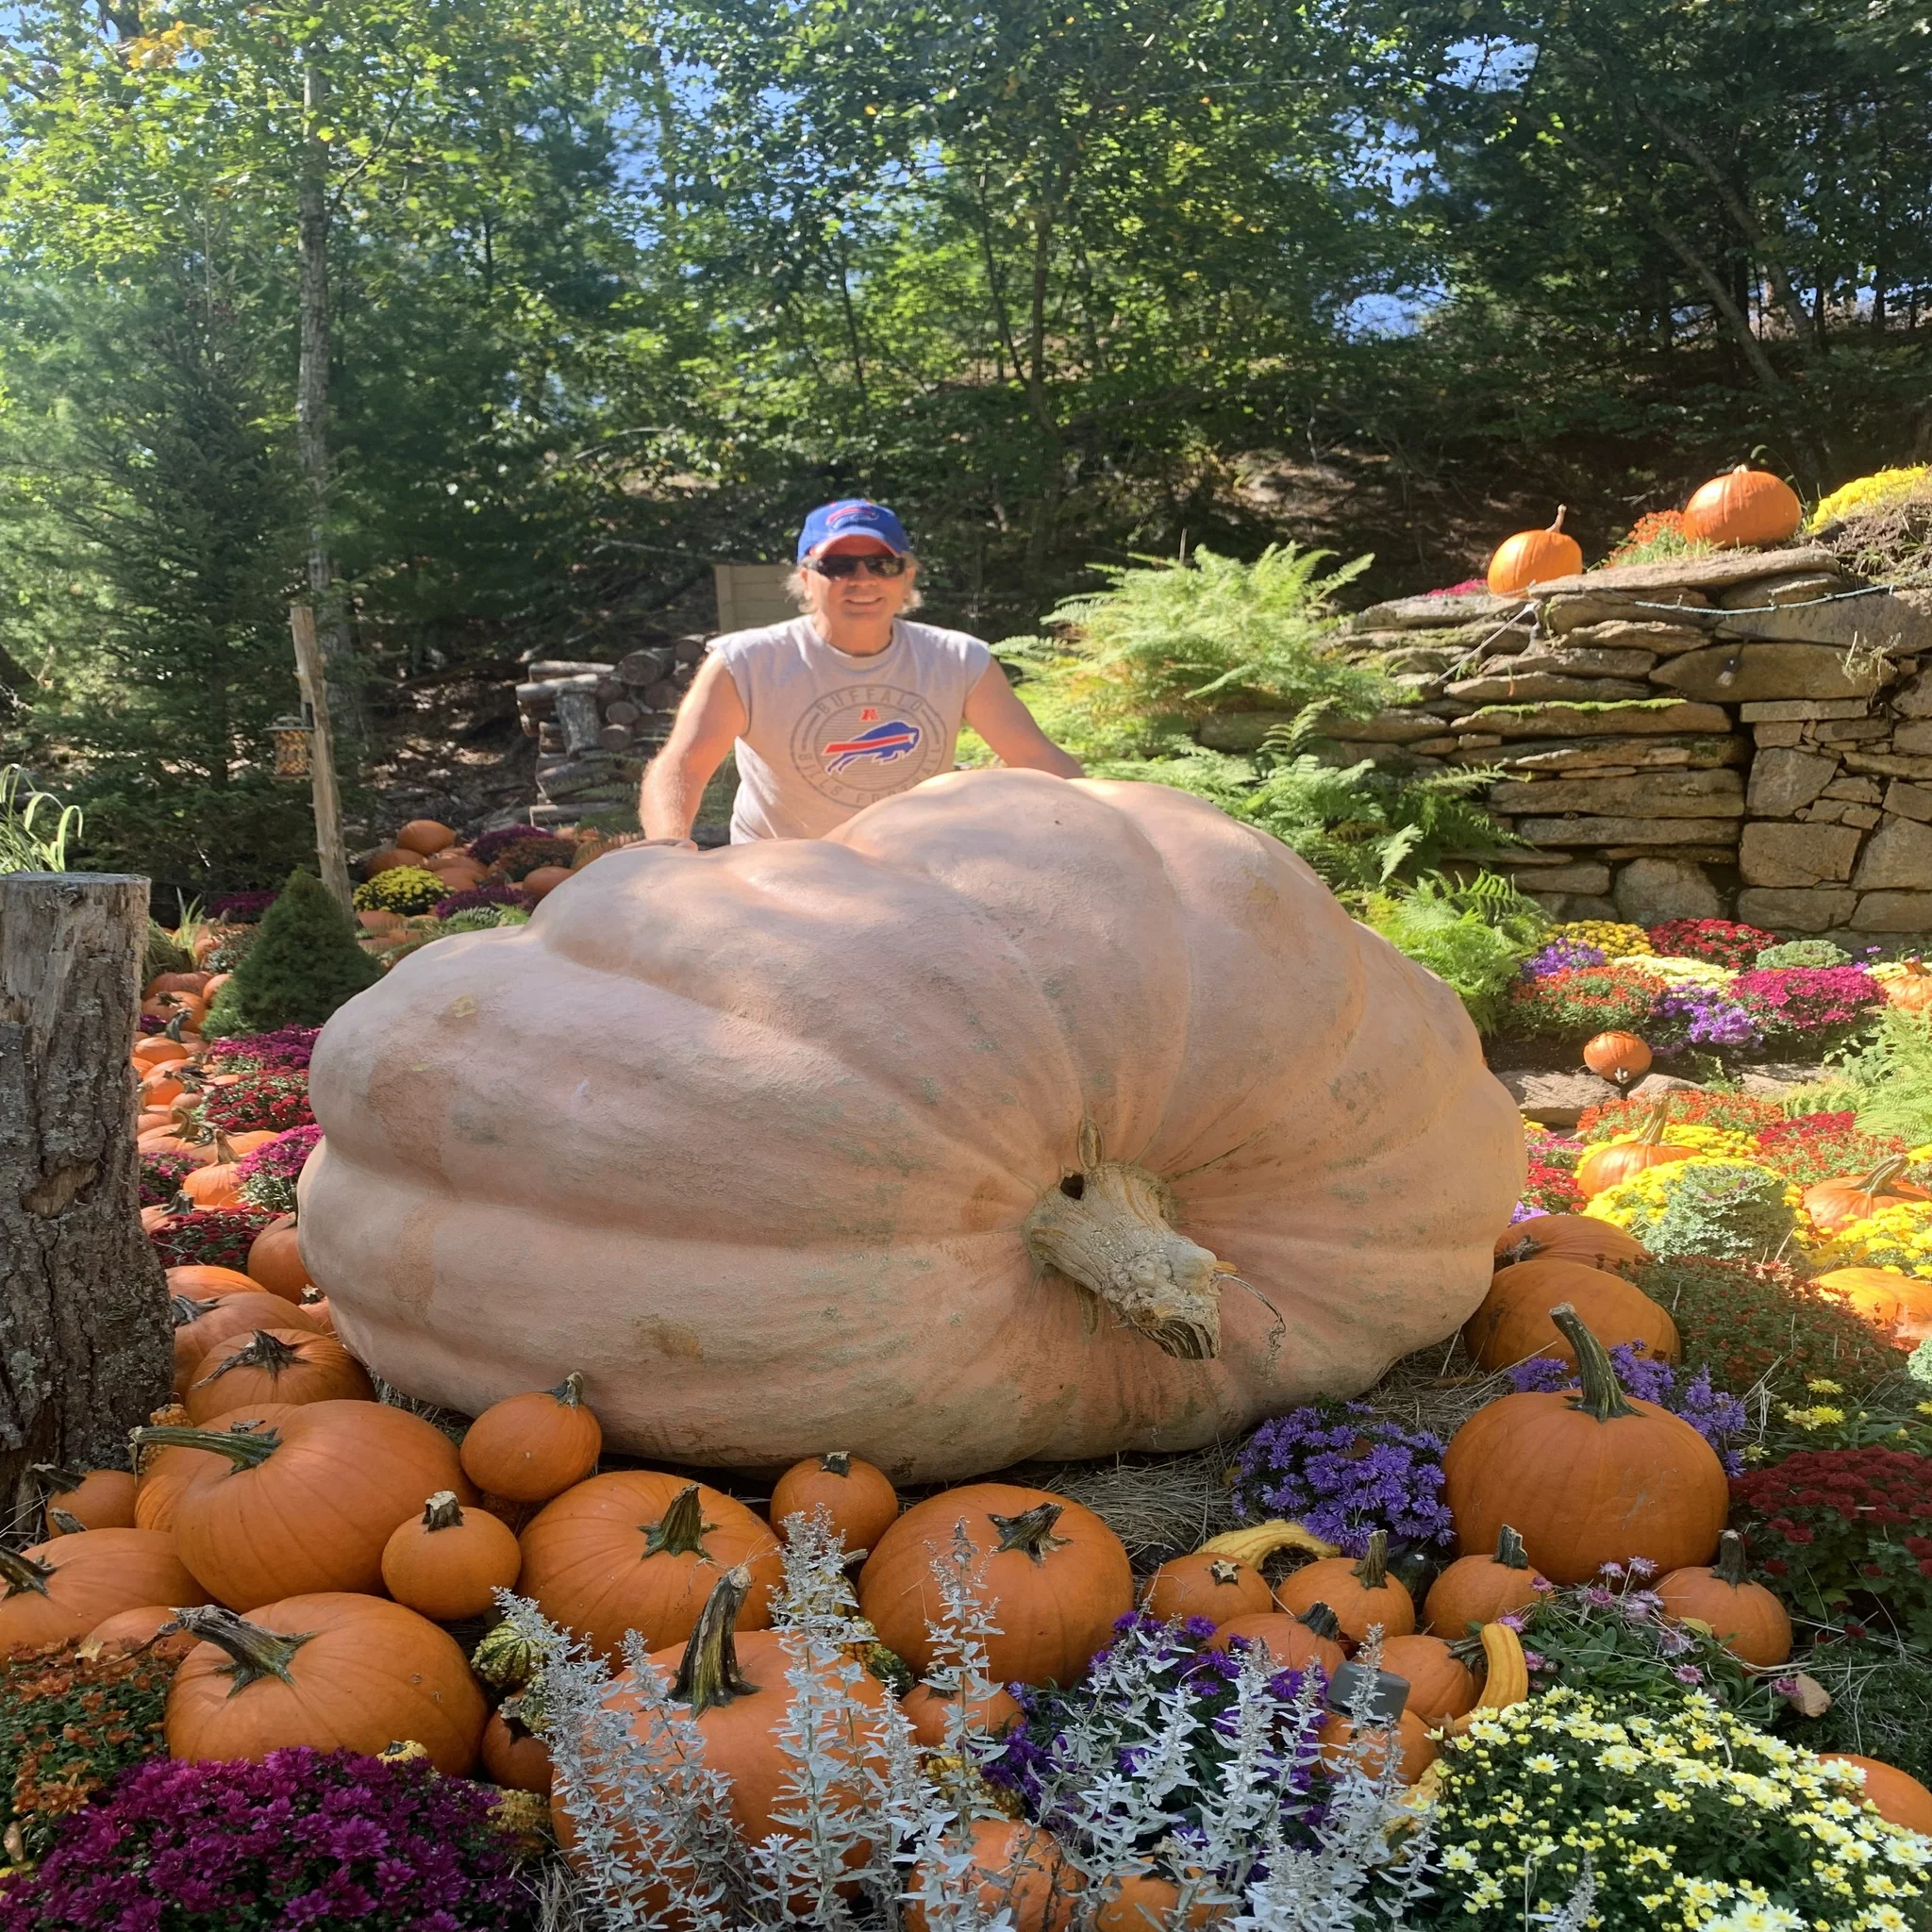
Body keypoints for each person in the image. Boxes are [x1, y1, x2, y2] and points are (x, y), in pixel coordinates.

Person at [639, 499, 1082, 843]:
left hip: (916, 862)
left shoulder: (958, 659)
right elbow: (683, 766)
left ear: (907, 577)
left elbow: (1038, 759)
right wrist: (668, 847)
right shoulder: (745, 662)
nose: (863, 579)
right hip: (779, 873)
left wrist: (1119, 821)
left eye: (882, 564)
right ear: (805, 578)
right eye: (838, 565)